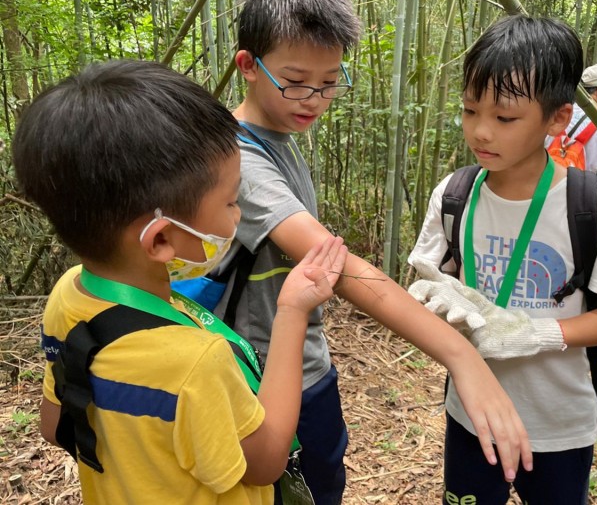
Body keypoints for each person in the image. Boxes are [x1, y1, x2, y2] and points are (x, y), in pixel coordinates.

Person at [223, 0, 531, 504]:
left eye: (328, 82)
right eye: (295, 82)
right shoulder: (238, 163)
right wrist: (460, 357)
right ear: (248, 65)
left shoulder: (278, 138)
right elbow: (337, 268)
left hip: (304, 367)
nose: (314, 99)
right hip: (260, 383)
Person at [13, 60, 348, 504]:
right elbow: (266, 460)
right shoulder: (195, 363)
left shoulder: (70, 293)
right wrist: (291, 312)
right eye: (231, 202)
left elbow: (55, 426)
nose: (238, 216)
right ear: (161, 238)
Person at [409, 15, 597, 504]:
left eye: (504, 118)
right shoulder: (454, 195)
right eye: (469, 111)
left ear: (557, 119)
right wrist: (435, 301)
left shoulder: (595, 206)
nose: (480, 132)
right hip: (470, 417)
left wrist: (538, 332)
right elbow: (429, 288)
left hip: (559, 425)